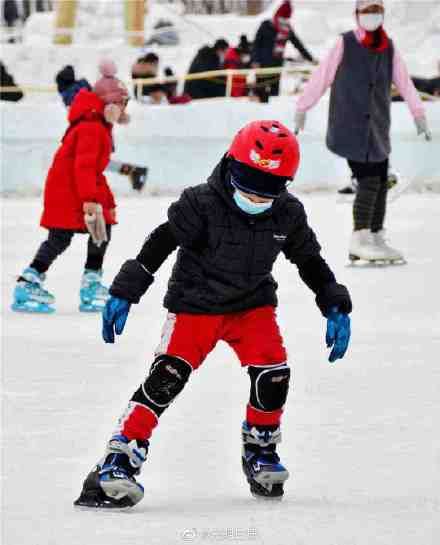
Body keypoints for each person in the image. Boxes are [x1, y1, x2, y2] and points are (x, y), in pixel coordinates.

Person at [74, 120, 352, 508]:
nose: (255, 198)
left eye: (266, 192)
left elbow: (309, 259)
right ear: (231, 167)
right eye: (247, 187)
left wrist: (333, 301)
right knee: (166, 379)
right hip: (196, 305)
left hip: (251, 307)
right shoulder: (201, 202)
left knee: (274, 375)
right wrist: (126, 290)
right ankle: (117, 461)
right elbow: (161, 241)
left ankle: (260, 449)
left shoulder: (287, 213)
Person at [294, 0, 432, 264]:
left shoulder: (388, 46)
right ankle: (359, 238)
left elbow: (403, 81)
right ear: (357, 15)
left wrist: (418, 114)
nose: (372, 16)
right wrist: (303, 107)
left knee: (381, 180)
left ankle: (376, 236)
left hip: (377, 128)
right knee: (368, 180)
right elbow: (321, 76)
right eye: (367, 11)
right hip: (349, 126)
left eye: (376, 11)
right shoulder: (345, 43)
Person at [11, 61, 130, 314]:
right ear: (110, 104)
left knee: (98, 230)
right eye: (122, 103)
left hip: (72, 188)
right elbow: (84, 167)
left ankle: (88, 281)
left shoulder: (97, 124)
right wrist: (89, 199)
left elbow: (93, 166)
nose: (123, 110)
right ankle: (31, 282)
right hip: (70, 191)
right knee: (64, 237)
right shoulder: (92, 128)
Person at [55, 64, 148, 192]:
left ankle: (133, 171)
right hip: (99, 129)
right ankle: (133, 171)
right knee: (98, 161)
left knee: (94, 162)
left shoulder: (71, 93)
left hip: (92, 132)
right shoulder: (85, 87)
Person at [252, 1, 316, 97]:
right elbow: (256, 44)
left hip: (276, 65)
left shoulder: (287, 29)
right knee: (261, 93)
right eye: (282, 18)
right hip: (262, 65)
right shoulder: (266, 25)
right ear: (277, 15)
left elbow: (298, 45)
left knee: (274, 94)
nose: (284, 21)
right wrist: (255, 60)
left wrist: (311, 59)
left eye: (286, 19)